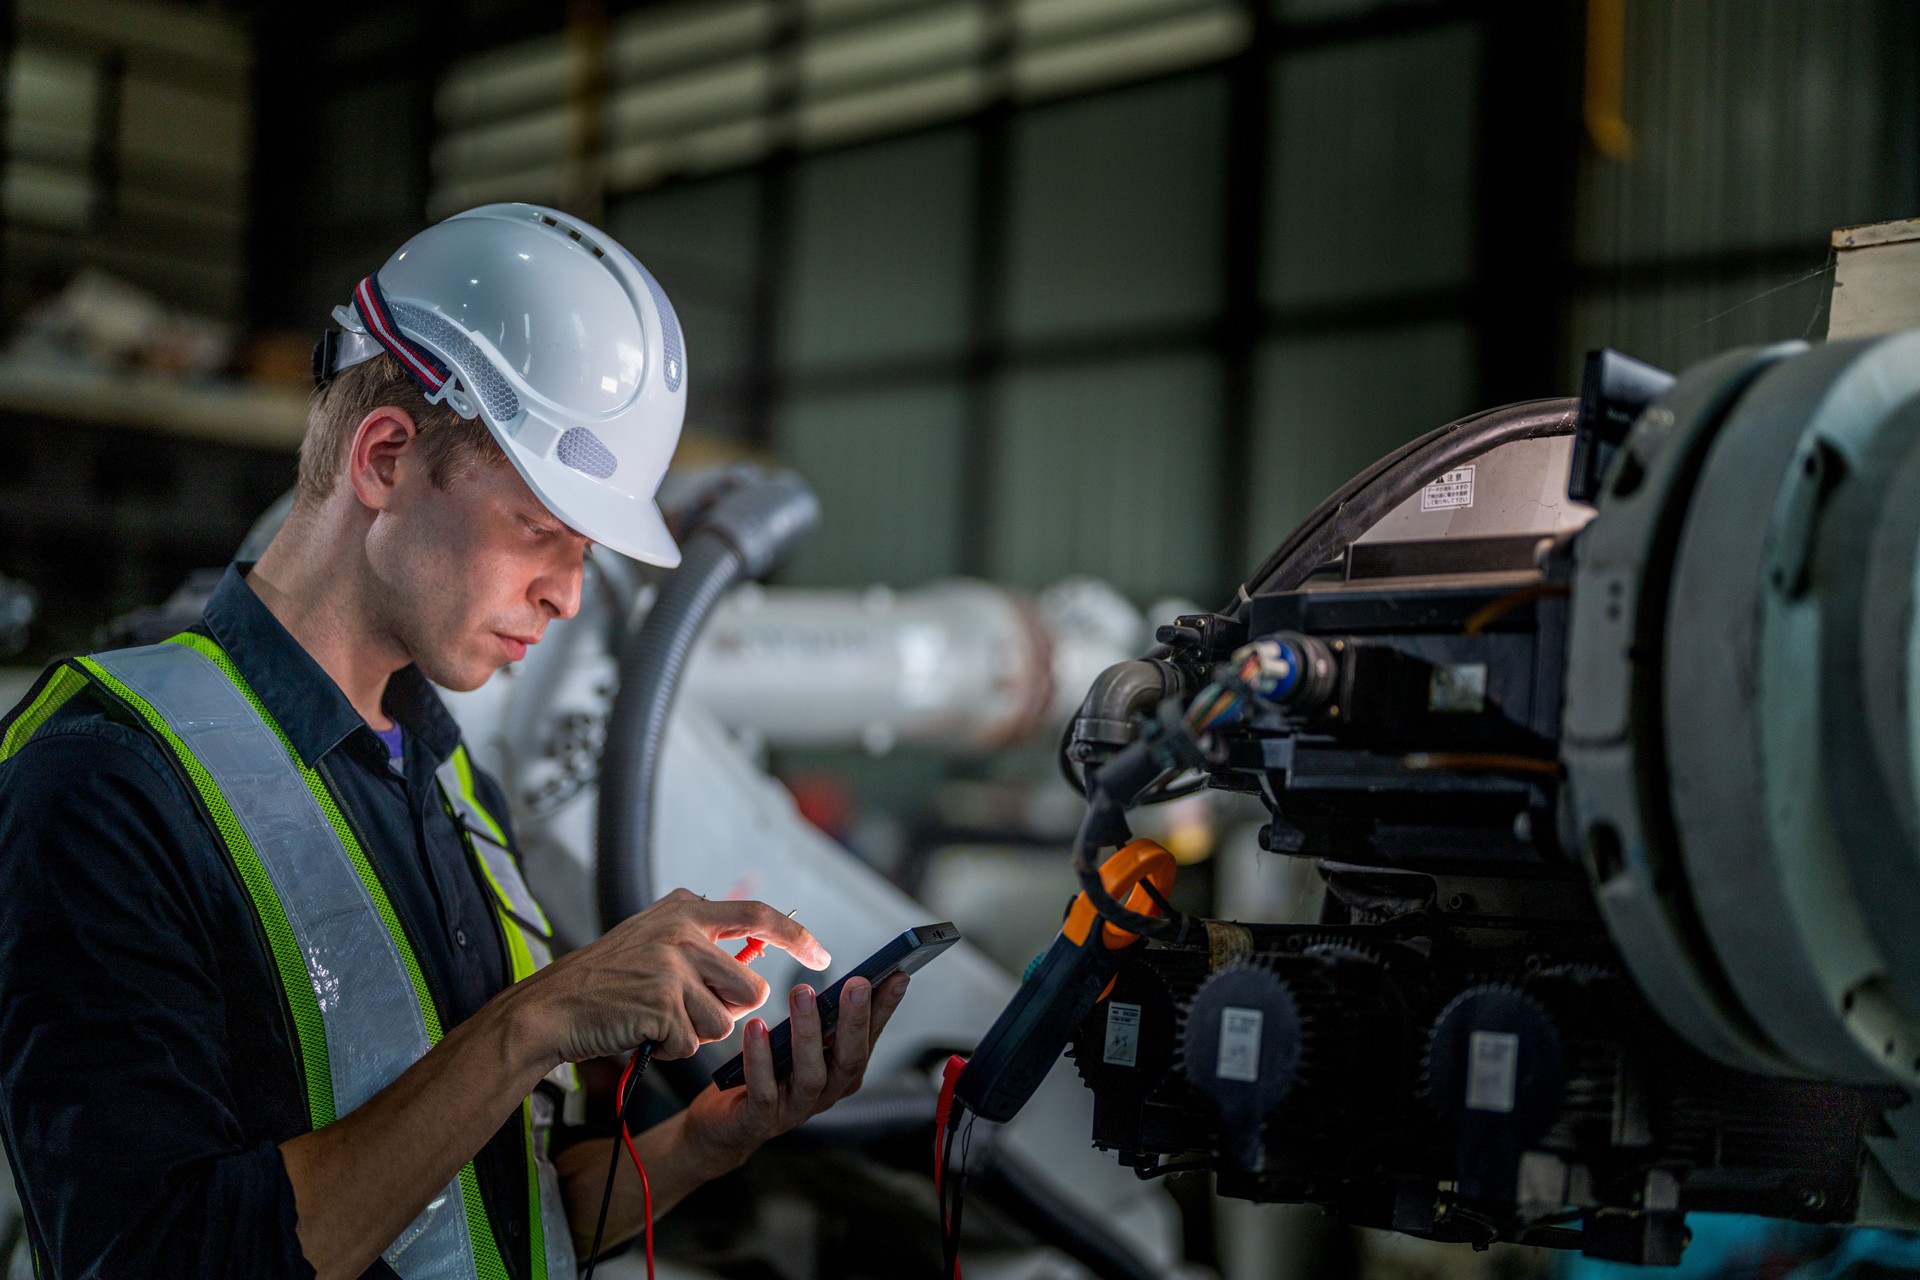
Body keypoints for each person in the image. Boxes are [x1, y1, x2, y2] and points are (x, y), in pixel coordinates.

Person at [0, 204, 910, 1279]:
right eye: (542, 532)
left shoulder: (438, 768)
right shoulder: (107, 771)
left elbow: (495, 1208)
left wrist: (711, 1139)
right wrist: (538, 1018)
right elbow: (161, 1258)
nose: (568, 595)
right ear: (384, 459)